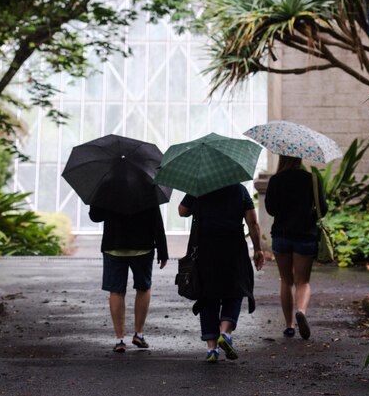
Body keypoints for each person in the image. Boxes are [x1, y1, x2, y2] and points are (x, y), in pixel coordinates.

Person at [178, 184, 265, 363]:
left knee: (207, 295)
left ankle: (212, 350)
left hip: (205, 248)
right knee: (236, 289)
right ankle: (225, 332)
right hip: (233, 248)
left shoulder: (198, 188)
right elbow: (252, 221)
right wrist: (258, 249)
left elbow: (182, 211)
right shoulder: (239, 190)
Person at [89, 205, 168, 353]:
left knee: (116, 291)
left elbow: (95, 216)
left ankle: (120, 340)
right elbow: (156, 219)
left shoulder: (107, 186)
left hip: (114, 245)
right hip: (142, 245)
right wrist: (163, 250)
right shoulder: (146, 184)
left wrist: (98, 199)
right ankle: (138, 334)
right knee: (143, 288)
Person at [265, 155, 328, 340]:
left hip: (282, 236)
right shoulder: (312, 179)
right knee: (303, 282)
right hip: (305, 235)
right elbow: (322, 208)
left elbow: (270, 209)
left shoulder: (276, 180)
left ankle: (289, 326)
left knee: (286, 281)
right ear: (300, 157)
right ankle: (301, 311)